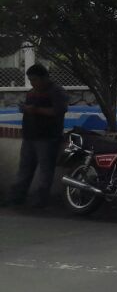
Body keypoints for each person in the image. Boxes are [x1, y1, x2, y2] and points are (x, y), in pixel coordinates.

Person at [3, 64, 69, 208]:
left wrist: (36, 110)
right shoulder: (32, 92)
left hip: (47, 137)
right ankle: (16, 198)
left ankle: (40, 201)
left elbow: (59, 111)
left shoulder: (56, 91)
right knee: (24, 169)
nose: (32, 83)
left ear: (44, 78)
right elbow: (29, 109)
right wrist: (26, 110)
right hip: (30, 136)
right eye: (30, 80)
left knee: (45, 171)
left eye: (34, 79)